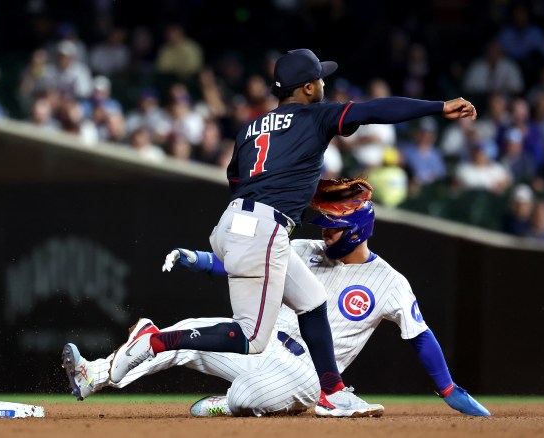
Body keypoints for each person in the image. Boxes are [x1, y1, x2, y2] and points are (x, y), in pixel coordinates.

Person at [103, 48, 478, 412]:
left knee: (313, 302)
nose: (323, 85)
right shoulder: (316, 116)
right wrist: (438, 106)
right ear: (309, 88)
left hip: (236, 216)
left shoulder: (252, 126)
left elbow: (236, 176)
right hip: (264, 223)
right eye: (320, 79)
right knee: (250, 337)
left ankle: (332, 392)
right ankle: (154, 340)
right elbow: (375, 110)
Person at [62, 196, 490, 418]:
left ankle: (231, 404)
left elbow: (421, 336)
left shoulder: (390, 282)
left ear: (358, 232)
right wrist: (199, 259)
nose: (326, 235)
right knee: (183, 334)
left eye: (335, 230)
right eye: (325, 227)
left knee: (247, 394)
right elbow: (240, 263)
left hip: (304, 371)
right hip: (260, 341)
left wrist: (448, 388)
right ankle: (94, 374)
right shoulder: (305, 249)